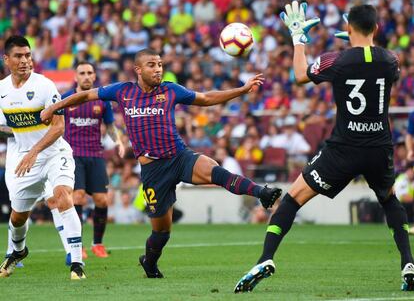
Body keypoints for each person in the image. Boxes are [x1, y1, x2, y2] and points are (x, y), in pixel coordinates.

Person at [40, 48, 282, 279]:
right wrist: (55, 106)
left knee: (214, 170)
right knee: (161, 231)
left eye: (160, 65)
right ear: (138, 69)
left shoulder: (170, 90)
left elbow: (206, 98)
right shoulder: (122, 91)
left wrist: (242, 89)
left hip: (178, 156)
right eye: (152, 65)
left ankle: (261, 192)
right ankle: (149, 261)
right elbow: (85, 95)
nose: (158, 70)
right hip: (153, 171)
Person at [234, 2, 414, 293]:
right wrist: (360, 43)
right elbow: (373, 60)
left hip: (343, 148)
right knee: (389, 200)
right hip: (379, 148)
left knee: (292, 199)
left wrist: (298, 40)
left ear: (348, 28)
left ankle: (265, 258)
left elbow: (301, 75)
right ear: (377, 28)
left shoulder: (336, 61)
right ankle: (408, 262)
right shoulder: (391, 60)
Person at [0, 36, 85, 279]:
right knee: (17, 217)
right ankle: (18, 251)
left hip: (54, 153)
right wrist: (18, 136)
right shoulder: (2, 91)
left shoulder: (45, 86)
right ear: (7, 60)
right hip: (24, 159)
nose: (25, 60)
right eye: (19, 56)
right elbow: (4, 127)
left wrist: (35, 150)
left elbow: (59, 127)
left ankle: (77, 264)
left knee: (62, 197)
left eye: (28, 55)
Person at [62, 61, 124, 259]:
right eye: (82, 73)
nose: (86, 76)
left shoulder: (102, 100)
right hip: (73, 155)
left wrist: (119, 142)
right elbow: (54, 124)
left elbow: (110, 126)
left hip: (95, 154)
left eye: (90, 73)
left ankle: (98, 244)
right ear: (76, 77)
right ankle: (77, 246)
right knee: (78, 197)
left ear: (95, 76)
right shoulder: (66, 99)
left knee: (102, 200)